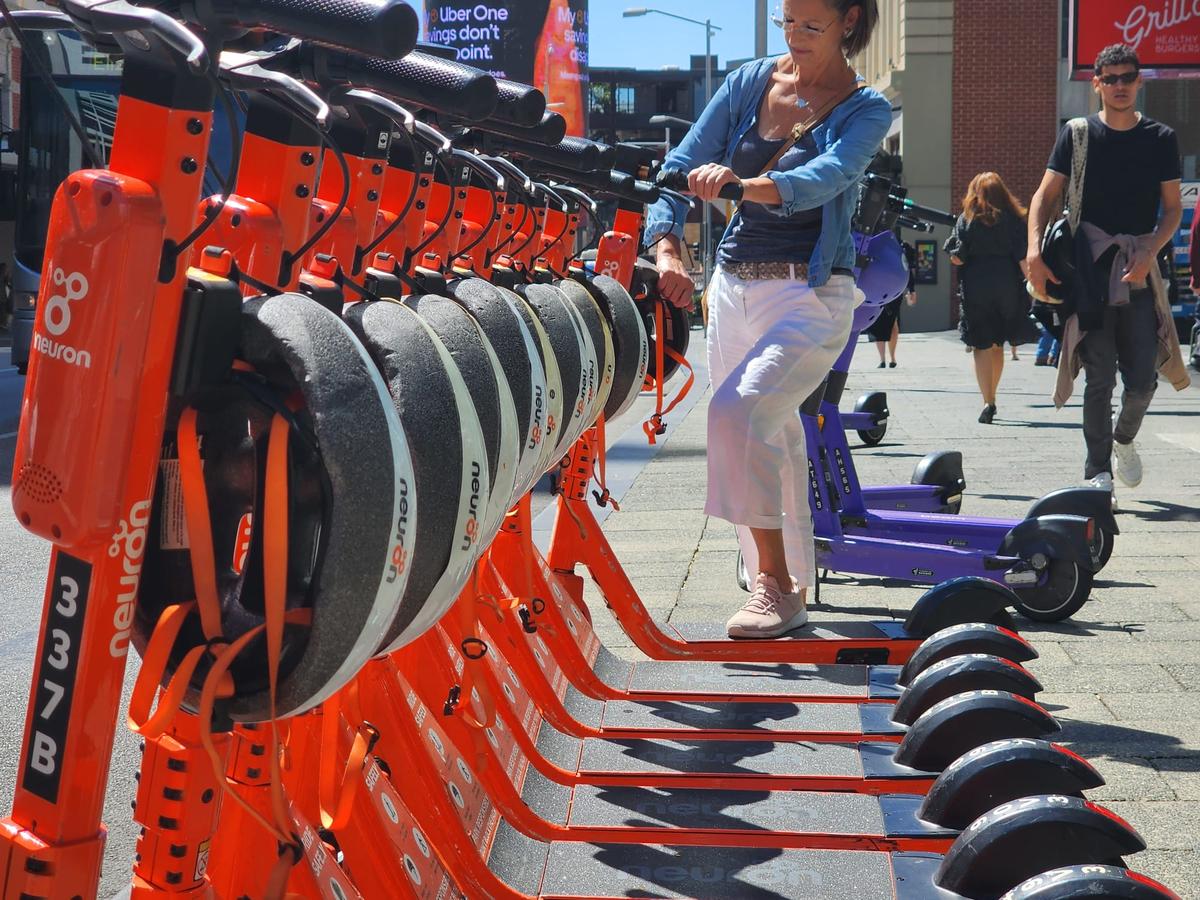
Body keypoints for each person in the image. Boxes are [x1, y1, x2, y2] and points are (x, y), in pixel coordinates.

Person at [647, 0, 890, 638]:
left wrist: (740, 184)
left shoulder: (866, 108)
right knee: (773, 437)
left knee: (740, 413)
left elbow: (826, 177)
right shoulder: (750, 81)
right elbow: (676, 168)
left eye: (812, 25)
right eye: (788, 22)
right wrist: (667, 245)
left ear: (849, 22)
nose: (796, 37)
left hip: (811, 296)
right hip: (732, 288)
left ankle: (772, 584)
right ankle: (787, 587)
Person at [1027, 43, 1188, 506]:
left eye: (1127, 77)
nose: (1120, 85)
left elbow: (1173, 209)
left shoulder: (1160, 138)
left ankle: (1123, 438)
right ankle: (1097, 471)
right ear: (1095, 83)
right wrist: (1034, 252)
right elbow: (1044, 196)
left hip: (1139, 267)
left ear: (1140, 82)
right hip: (1089, 272)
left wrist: (1152, 250)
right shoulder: (1077, 134)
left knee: (1142, 380)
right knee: (1099, 378)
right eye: (1110, 78)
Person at [946, 172, 1036, 424]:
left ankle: (988, 400)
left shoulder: (967, 220)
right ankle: (993, 394)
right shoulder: (1015, 220)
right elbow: (1022, 258)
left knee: (980, 345)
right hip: (1006, 286)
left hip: (976, 287)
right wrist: (1035, 284)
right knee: (998, 344)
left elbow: (958, 256)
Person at [866, 239, 917, 367]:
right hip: (880, 289)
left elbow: (907, 270)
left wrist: (911, 290)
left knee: (891, 322)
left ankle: (891, 358)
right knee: (880, 323)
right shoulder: (875, 244)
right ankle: (884, 359)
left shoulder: (899, 247)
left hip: (890, 290)